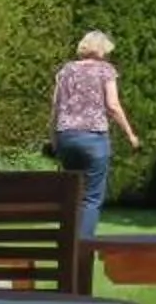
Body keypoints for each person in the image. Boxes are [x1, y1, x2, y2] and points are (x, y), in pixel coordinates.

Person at [49, 31, 140, 238]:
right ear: (101, 50)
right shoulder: (105, 71)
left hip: (67, 137)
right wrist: (130, 134)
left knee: (73, 195)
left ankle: (68, 243)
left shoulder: (66, 70)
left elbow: (56, 106)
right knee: (90, 199)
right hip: (93, 138)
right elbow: (113, 106)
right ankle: (82, 248)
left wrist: (53, 137)